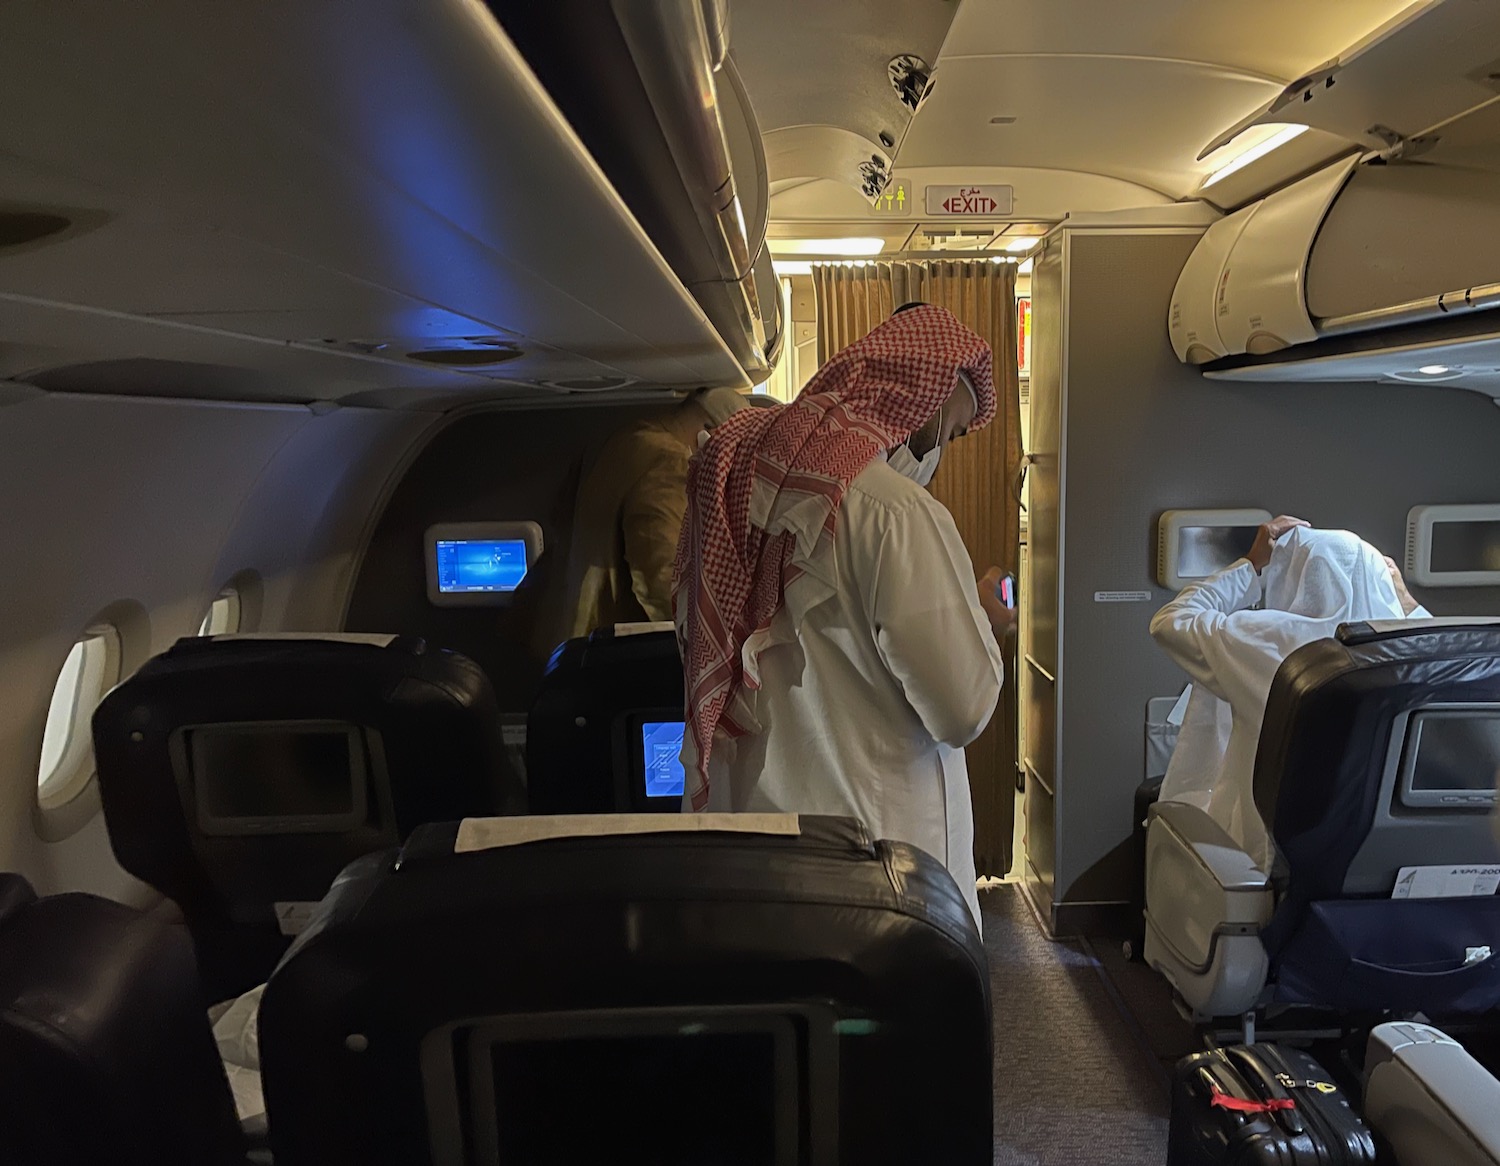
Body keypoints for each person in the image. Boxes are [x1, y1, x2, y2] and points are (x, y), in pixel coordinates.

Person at [672, 303, 1014, 927]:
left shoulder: (744, 480)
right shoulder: (896, 511)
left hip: (761, 849)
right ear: (925, 405)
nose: (941, 451)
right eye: (952, 432)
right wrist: (985, 625)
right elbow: (961, 710)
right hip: (881, 868)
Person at [1151, 516, 1429, 871]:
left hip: (1267, 854)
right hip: (1383, 855)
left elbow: (1170, 621)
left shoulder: (1261, 641)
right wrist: (1407, 606)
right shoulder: (1412, 654)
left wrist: (1250, 565)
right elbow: (1455, 660)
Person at [563, 387, 747, 639]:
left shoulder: (626, 437)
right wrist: (714, 641)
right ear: (712, 434)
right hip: (606, 650)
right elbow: (664, 580)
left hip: (567, 634)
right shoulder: (670, 461)